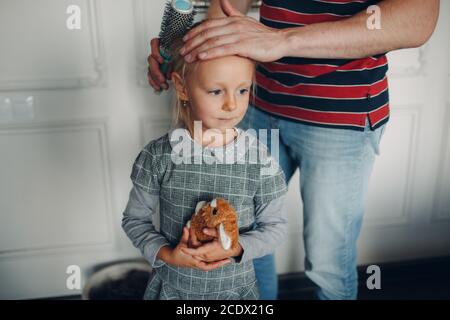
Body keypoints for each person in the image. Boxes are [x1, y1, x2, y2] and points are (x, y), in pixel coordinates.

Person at [148, 0, 439, 300]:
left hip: (340, 116)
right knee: (243, 238)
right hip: (260, 102)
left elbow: (418, 18)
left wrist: (283, 40)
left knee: (328, 264)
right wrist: (196, 54)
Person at [122, 28, 288, 300]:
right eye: (215, 91)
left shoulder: (260, 159)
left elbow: (276, 228)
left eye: (243, 89)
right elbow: (135, 220)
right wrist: (168, 255)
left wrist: (236, 247)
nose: (232, 104)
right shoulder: (159, 156)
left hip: (235, 294)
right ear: (182, 87)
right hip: (174, 291)